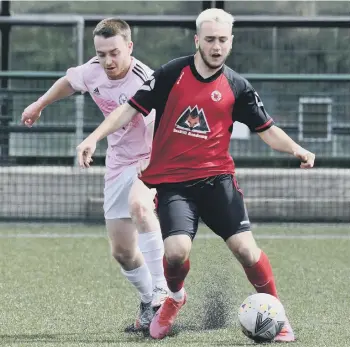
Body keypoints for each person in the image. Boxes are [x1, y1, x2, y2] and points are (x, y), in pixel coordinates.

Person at [75, 9, 316, 341]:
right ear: (197, 40)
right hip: (174, 184)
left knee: (246, 250)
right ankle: (174, 298)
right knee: (175, 253)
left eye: (222, 40)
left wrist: (297, 150)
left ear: (230, 42)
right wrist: (92, 138)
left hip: (218, 181)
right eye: (210, 39)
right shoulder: (171, 73)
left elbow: (267, 129)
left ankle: (278, 313)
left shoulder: (237, 86)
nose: (216, 47)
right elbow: (128, 108)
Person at [21, 18, 169, 332]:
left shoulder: (146, 79)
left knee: (141, 207)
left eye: (114, 52)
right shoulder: (93, 70)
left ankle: (162, 289)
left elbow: (161, 121)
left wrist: (155, 159)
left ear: (129, 47)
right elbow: (69, 81)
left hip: (149, 158)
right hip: (118, 163)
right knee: (122, 252)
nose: (108, 61)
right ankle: (148, 304)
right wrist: (40, 103)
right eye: (101, 53)